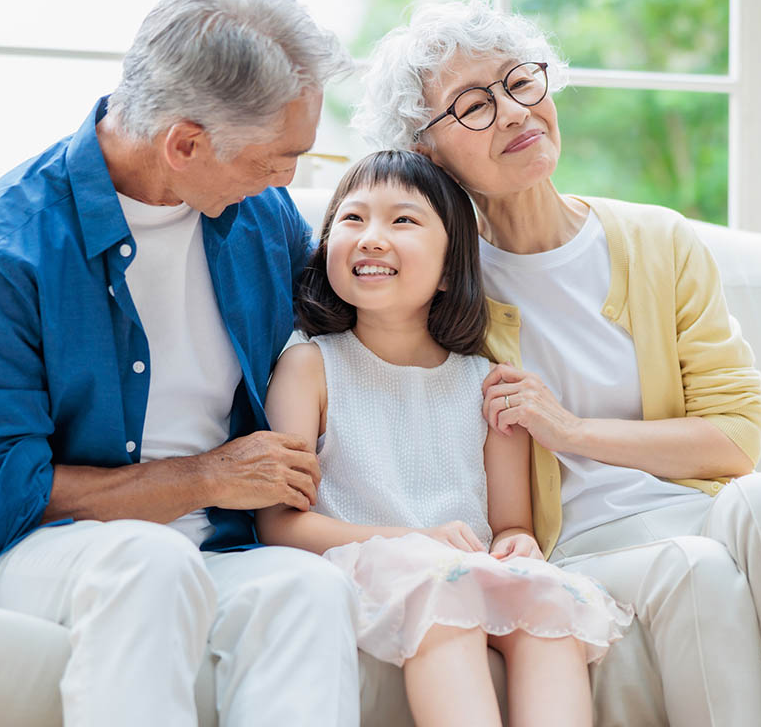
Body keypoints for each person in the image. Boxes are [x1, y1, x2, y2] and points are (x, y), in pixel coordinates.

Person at [352, 0, 761, 726]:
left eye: (520, 83)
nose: (513, 113)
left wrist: (572, 431)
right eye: (472, 105)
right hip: (581, 548)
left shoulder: (660, 241)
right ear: (427, 150)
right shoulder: (440, 281)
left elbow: (734, 441)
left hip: (696, 509)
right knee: (698, 572)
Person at [0, 0, 360, 727]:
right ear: (184, 143)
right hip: (38, 552)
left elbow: (360, 330)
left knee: (308, 587)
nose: (290, 179)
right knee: (147, 561)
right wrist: (205, 477)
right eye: (277, 159)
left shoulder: (259, 215)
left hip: (217, 548)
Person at [258, 149, 633, 727]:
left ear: (451, 267)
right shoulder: (310, 368)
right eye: (351, 219)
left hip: (468, 567)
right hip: (376, 566)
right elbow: (279, 522)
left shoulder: (486, 383)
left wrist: (518, 546)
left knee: (549, 604)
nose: (371, 238)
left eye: (402, 220)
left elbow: (510, 524)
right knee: (444, 595)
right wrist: (415, 539)